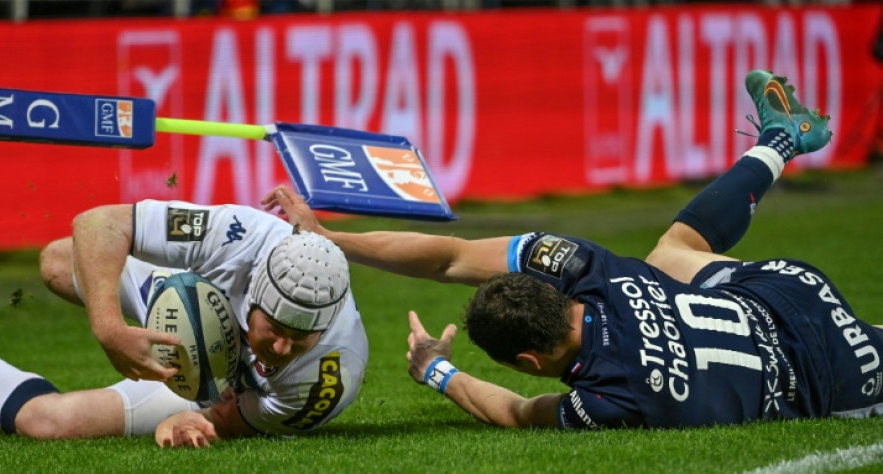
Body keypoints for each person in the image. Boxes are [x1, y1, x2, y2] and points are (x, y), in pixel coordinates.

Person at [263, 69, 882, 429]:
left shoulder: (606, 397)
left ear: (530, 360)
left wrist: (436, 369)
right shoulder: (585, 266)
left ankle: (781, 140)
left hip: (828, 372)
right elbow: (450, 256)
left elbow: (517, 411)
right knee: (673, 251)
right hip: (784, 289)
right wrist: (328, 236)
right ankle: (778, 142)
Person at [0, 201, 369, 447]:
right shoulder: (243, 234)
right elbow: (97, 222)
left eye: (301, 339)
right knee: (57, 262)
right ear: (253, 294)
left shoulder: (324, 383)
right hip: (190, 301)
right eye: (274, 328)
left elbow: (227, 419)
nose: (281, 349)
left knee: (45, 423)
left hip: (221, 385)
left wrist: (185, 421)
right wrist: (109, 329)